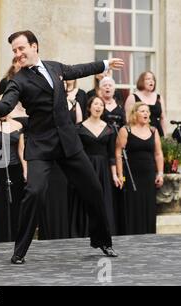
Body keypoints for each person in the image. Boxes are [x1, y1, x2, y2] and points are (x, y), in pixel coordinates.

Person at [0, 30, 124, 263]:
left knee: (94, 189)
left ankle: (102, 241)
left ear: (34, 46)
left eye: (21, 48)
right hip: (41, 145)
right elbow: (5, 106)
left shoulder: (54, 67)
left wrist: (104, 63)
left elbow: (78, 69)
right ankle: (20, 251)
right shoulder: (19, 80)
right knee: (34, 192)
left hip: (68, 143)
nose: (17, 54)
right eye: (14, 51)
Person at [69, 97, 119, 237]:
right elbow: (75, 152)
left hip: (103, 169)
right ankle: (84, 230)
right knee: (86, 198)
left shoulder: (109, 129)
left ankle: (103, 231)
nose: (98, 107)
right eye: (96, 104)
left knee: (103, 199)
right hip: (86, 166)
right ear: (89, 107)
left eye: (101, 105)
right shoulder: (79, 128)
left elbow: (112, 155)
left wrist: (114, 174)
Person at [116, 102, 164, 235]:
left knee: (148, 206)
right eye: (142, 111)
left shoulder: (153, 131)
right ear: (134, 114)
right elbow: (118, 153)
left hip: (149, 174)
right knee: (133, 205)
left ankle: (148, 235)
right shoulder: (126, 130)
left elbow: (158, 153)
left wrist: (160, 173)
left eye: (147, 111)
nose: (146, 114)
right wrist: (120, 175)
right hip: (132, 174)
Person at [0, 115, 26, 242]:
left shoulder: (18, 125)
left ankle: (16, 237)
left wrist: (25, 169)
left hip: (15, 168)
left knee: (16, 204)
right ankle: (0, 238)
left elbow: (21, 150)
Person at [124, 71, 166, 137]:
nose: (151, 81)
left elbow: (163, 118)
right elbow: (128, 118)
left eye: (153, 79)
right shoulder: (133, 97)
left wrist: (165, 136)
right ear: (141, 81)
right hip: (139, 133)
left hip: (157, 132)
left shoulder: (159, 97)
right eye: (148, 79)